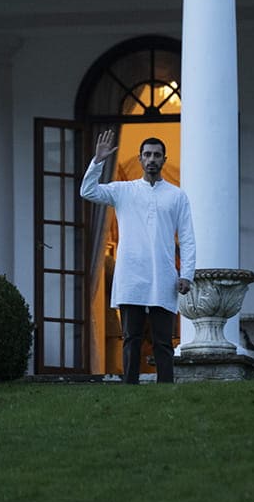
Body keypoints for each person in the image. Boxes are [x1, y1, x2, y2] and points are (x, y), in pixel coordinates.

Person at [80, 129, 196, 384]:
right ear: (140, 158)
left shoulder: (177, 195)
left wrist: (187, 274)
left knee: (163, 341)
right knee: (131, 338)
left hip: (163, 276)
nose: (152, 159)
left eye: (157, 155)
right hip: (131, 275)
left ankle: (166, 388)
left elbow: (187, 238)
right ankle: (129, 388)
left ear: (164, 160)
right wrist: (98, 161)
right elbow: (87, 191)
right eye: (147, 154)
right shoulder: (123, 190)